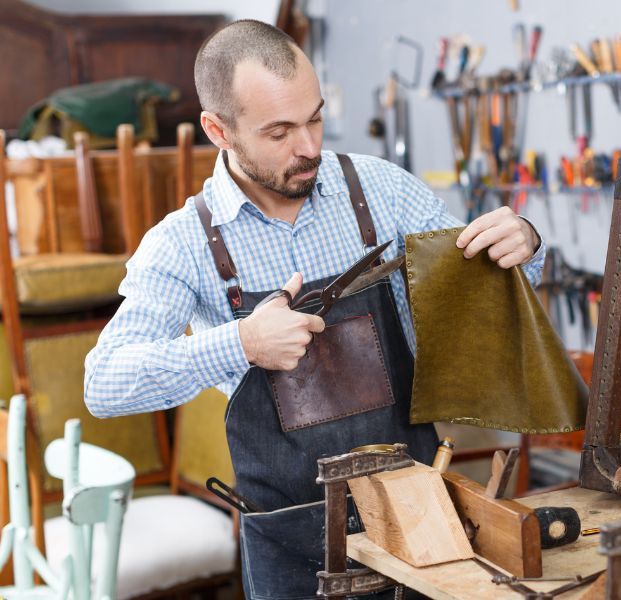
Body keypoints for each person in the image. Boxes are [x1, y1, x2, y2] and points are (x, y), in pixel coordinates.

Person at [83, 19, 545, 599]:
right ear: (217, 130)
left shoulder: (381, 190)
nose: (309, 148)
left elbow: (493, 284)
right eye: (279, 132)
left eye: (315, 119)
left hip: (418, 520)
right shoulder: (183, 243)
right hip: (291, 542)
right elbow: (104, 385)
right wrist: (243, 343)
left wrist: (523, 243)